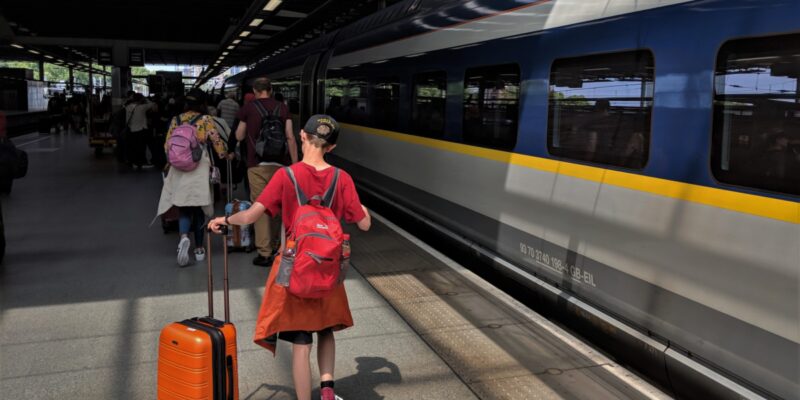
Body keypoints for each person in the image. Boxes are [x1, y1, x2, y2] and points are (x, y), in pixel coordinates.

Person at [209, 114, 371, 400]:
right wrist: (362, 208)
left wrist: (225, 219)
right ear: (331, 148)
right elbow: (364, 224)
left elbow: (251, 215)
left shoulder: (286, 175)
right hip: (329, 268)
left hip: (295, 266)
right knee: (326, 329)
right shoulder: (341, 178)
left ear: (301, 136)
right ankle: (327, 393)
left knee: (301, 338)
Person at [156, 89, 226, 267]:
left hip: (179, 168)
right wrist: (226, 154)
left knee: (184, 207)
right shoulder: (206, 120)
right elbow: (217, 143)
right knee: (200, 207)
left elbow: (166, 146)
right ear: (203, 103)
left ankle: (184, 238)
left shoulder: (176, 120)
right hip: (199, 166)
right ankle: (200, 249)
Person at [234, 77, 299, 266]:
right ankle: (279, 245)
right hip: (281, 165)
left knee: (260, 207)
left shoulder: (248, 108)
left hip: (257, 165)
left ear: (255, 90)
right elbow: (290, 138)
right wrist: (295, 165)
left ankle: (264, 252)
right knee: (279, 205)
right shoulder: (282, 108)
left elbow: (239, 135)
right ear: (270, 89)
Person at [125, 93, 158, 169]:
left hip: (131, 130)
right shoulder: (142, 107)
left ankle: (134, 162)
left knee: (134, 147)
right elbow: (152, 104)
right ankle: (141, 163)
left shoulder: (128, 107)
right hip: (140, 130)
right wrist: (145, 99)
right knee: (141, 148)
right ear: (140, 99)